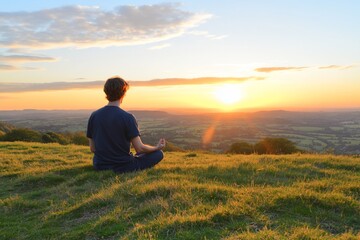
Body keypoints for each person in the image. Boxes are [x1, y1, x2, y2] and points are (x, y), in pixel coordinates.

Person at [86, 76, 165, 173]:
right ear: (123, 93)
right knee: (158, 154)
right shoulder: (127, 117)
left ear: (106, 92)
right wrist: (156, 147)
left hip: (99, 165)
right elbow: (139, 148)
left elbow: (93, 148)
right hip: (122, 166)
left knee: (138, 156)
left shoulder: (94, 115)